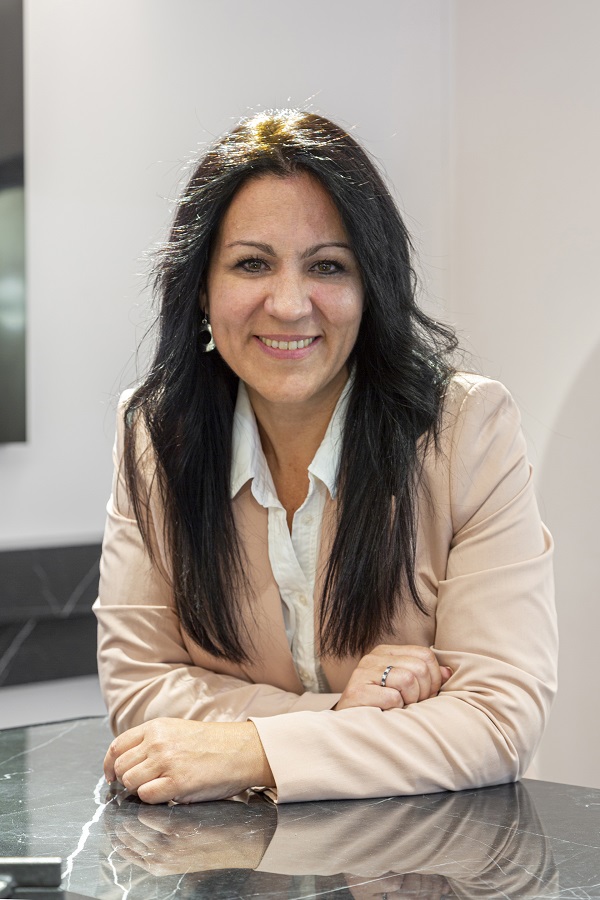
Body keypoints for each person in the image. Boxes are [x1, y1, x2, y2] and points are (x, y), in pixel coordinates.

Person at [96, 110, 557, 805]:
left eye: (327, 266)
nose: (288, 304)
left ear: (372, 287)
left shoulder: (466, 429)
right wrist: (337, 715)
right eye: (252, 264)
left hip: (426, 855)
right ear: (201, 289)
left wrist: (251, 749)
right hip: (231, 856)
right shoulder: (157, 433)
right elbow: (140, 689)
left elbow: (496, 720)